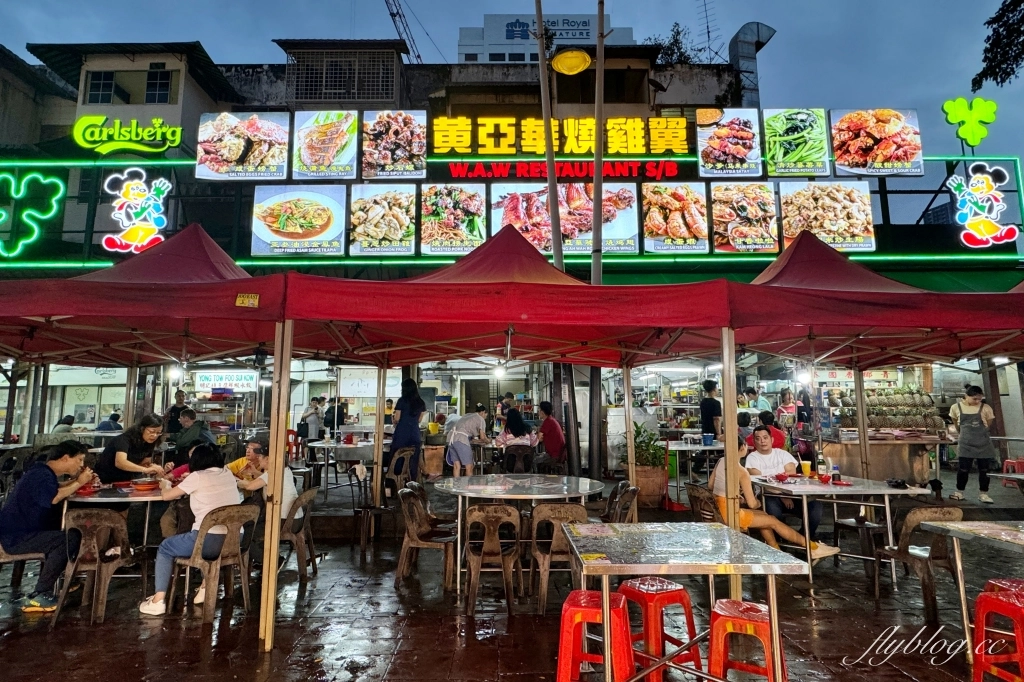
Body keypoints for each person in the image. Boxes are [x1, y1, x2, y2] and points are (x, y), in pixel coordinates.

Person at [139, 444, 243, 615]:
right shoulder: (228, 474)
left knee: (165, 547)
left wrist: (165, 484)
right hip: (234, 541)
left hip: (207, 543)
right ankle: (204, 585)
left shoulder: (197, 476)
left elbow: (167, 496)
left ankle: (158, 601)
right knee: (199, 542)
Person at [708, 437, 839, 560]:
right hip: (730, 514)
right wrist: (757, 500)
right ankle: (812, 547)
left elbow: (711, 485)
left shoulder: (721, 461)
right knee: (773, 521)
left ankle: (775, 550)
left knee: (765, 517)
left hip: (718, 509)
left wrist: (733, 495)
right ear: (743, 447)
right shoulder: (742, 471)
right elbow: (753, 504)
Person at [0, 440, 93, 612]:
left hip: (19, 532)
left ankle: (63, 579)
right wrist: (79, 482)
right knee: (67, 539)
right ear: (65, 458)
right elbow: (53, 497)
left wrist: (78, 483)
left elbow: (56, 488)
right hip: (14, 537)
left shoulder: (43, 473)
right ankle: (41, 593)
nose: (81, 465)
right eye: (79, 460)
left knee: (65, 535)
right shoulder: (40, 475)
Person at [746, 426, 822, 541]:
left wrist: (785, 494)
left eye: (765, 437)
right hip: (768, 495)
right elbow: (760, 480)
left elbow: (791, 473)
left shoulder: (782, 454)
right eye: (758, 438)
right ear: (754, 441)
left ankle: (803, 539)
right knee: (773, 513)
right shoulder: (752, 458)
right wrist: (782, 495)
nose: (762, 441)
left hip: (791, 494)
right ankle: (781, 543)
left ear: (771, 439)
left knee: (815, 508)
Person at [949, 385, 998, 504]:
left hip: (983, 443)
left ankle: (984, 493)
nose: (977, 401)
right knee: (963, 469)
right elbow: (956, 423)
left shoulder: (986, 408)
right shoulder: (956, 407)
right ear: (966, 396)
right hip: (965, 444)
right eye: (974, 399)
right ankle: (959, 492)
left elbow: (988, 424)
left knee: (984, 470)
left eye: (979, 399)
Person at [94, 414, 165, 483]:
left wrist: (153, 467)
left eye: (158, 433)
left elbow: (145, 463)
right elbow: (120, 462)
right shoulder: (124, 439)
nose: (155, 435)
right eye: (152, 431)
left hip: (126, 480)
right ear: (142, 428)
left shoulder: (149, 442)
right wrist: (145, 470)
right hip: (106, 479)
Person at [389, 379, 426, 482]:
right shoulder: (420, 402)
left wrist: (394, 421)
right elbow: (419, 419)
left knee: (398, 457)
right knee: (413, 458)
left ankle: (396, 481)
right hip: (414, 433)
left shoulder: (402, 401)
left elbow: (397, 418)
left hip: (402, 433)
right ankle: (412, 482)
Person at [447, 404, 488, 477]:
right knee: (469, 467)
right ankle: (467, 487)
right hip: (461, 439)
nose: (485, 417)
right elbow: (482, 437)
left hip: (451, 438)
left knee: (456, 466)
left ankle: (457, 487)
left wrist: (476, 441)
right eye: (486, 415)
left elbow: (467, 433)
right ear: (483, 412)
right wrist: (488, 440)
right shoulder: (480, 419)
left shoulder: (467, 415)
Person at [496, 407, 538, 472]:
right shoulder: (527, 429)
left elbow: (498, 443)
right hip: (526, 464)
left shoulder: (506, 430)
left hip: (510, 465)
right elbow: (535, 443)